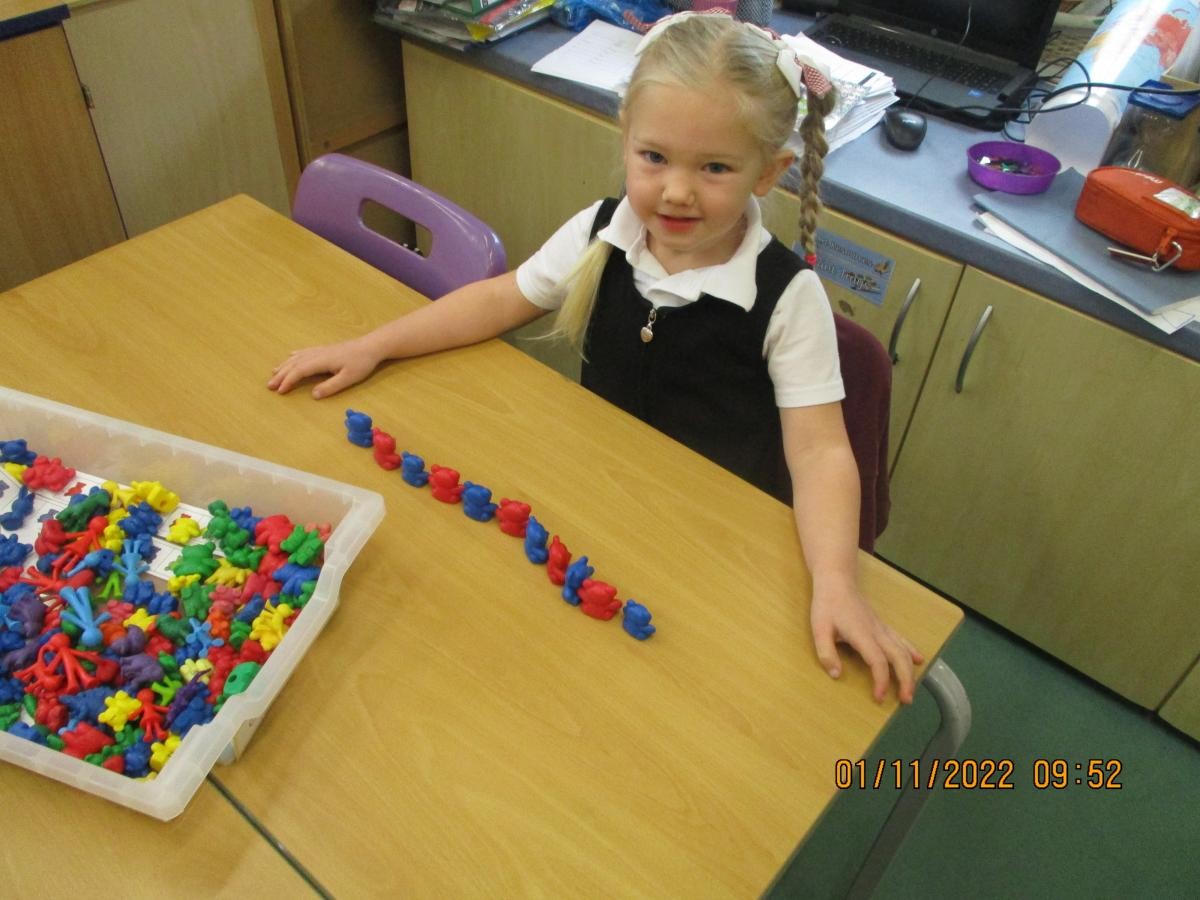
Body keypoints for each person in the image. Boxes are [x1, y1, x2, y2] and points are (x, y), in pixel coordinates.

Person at [268, 11, 923, 703]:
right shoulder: (601, 232)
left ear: (768, 173)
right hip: (597, 510)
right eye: (654, 157)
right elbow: (500, 298)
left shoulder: (789, 299)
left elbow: (821, 453)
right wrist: (371, 346)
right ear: (626, 137)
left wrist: (837, 583)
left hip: (707, 548)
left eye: (715, 168)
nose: (676, 191)